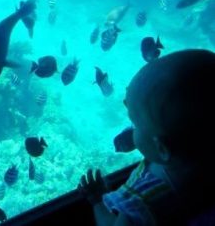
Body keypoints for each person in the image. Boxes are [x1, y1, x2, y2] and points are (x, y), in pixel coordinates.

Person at [78, 49, 215, 225]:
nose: (132, 130)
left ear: (162, 149)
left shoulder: (143, 204)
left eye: (135, 124)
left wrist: (98, 201)